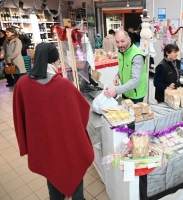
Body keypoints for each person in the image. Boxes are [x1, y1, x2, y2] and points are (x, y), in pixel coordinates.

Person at [13, 43, 94, 200]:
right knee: (74, 170)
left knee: (51, 171)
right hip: (67, 144)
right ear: (54, 62)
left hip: (44, 145)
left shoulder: (22, 85)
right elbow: (83, 111)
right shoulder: (64, 85)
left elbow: (19, 118)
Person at [104, 30, 147, 103]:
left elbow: (135, 81)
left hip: (135, 95)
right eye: (117, 42)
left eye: (122, 41)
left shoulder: (137, 56)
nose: (120, 45)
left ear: (129, 40)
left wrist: (116, 90)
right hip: (125, 91)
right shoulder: (122, 51)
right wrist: (117, 75)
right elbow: (124, 66)